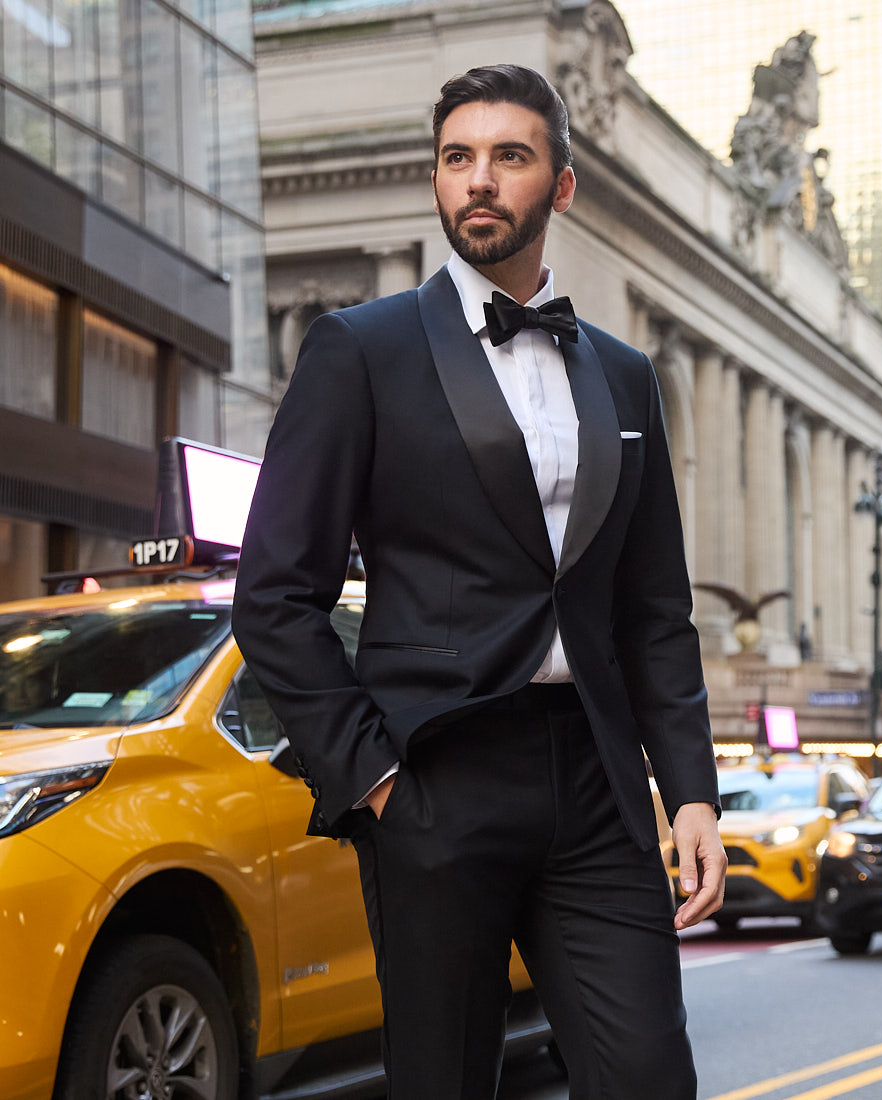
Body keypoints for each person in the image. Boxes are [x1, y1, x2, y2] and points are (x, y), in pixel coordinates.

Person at [232, 64, 724, 1100]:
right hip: (435, 777)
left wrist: (689, 790)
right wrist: (372, 779)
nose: (480, 182)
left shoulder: (626, 374)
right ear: (437, 178)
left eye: (510, 156)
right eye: (459, 159)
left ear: (563, 185)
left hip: (594, 781)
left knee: (647, 1075)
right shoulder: (361, 351)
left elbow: (653, 606)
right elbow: (276, 593)